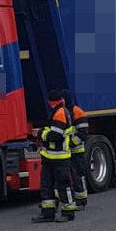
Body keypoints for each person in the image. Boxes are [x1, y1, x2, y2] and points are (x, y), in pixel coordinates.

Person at [35, 90, 77, 223]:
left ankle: (68, 212)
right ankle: (48, 213)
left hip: (60, 158)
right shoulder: (59, 111)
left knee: (63, 185)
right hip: (50, 157)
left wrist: (41, 133)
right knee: (46, 185)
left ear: (50, 102)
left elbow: (56, 135)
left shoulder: (60, 113)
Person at [63, 90, 90, 210]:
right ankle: (75, 198)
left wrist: (71, 144)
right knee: (70, 176)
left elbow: (83, 133)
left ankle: (81, 200)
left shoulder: (77, 112)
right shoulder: (63, 112)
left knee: (78, 175)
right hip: (67, 151)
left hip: (77, 150)